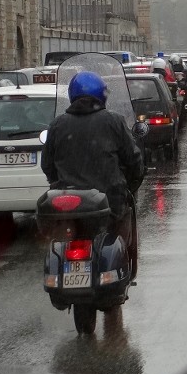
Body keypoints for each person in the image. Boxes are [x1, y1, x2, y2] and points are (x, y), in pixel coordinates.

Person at [41, 72, 145, 262]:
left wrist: (60, 185)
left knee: (61, 238)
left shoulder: (57, 125)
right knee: (121, 237)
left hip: (68, 207)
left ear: (72, 95)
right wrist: (128, 186)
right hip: (109, 204)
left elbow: (47, 165)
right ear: (102, 95)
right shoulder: (114, 121)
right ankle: (122, 266)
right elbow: (133, 160)